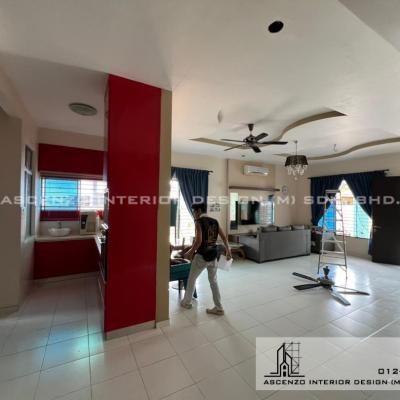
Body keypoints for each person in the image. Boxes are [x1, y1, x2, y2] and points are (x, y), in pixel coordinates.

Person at [181, 202, 232, 315]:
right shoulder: (215, 221)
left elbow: (198, 241)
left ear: (199, 211)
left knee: (192, 279)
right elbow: (224, 238)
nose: (194, 214)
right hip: (213, 255)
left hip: (201, 256)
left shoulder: (198, 222)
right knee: (213, 281)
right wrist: (228, 251)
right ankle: (219, 308)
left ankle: (186, 302)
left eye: (194, 212)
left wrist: (190, 252)